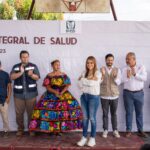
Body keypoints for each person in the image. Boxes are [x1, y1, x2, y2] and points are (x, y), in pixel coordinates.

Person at [29, 60, 82, 134]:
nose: (58, 66)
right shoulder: (49, 75)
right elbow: (47, 87)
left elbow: (67, 85)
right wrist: (55, 92)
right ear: (52, 66)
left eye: (59, 65)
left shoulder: (63, 75)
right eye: (56, 64)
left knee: (63, 111)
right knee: (50, 111)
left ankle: (61, 129)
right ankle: (52, 129)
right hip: (51, 94)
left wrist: (61, 92)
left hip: (63, 94)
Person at [10, 50, 40, 136]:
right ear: (20, 58)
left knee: (31, 113)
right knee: (19, 114)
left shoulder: (33, 66)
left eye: (27, 57)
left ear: (28, 57)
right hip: (18, 95)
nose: (25, 58)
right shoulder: (15, 67)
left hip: (31, 94)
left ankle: (31, 129)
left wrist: (31, 75)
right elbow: (12, 77)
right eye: (23, 57)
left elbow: (37, 77)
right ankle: (20, 129)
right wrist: (21, 72)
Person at [77, 56, 102, 147]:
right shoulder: (84, 72)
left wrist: (83, 80)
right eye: (88, 63)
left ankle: (92, 138)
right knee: (85, 118)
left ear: (94, 63)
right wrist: (87, 80)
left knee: (92, 118)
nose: (89, 64)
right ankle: (84, 137)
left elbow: (92, 84)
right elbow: (79, 84)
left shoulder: (98, 73)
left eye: (91, 63)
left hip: (93, 97)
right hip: (84, 97)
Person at [122, 52, 148, 138]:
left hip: (139, 93)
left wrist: (135, 74)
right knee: (129, 112)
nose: (127, 61)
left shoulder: (141, 67)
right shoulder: (124, 68)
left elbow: (144, 78)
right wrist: (127, 77)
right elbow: (122, 81)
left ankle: (140, 130)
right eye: (126, 59)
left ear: (134, 59)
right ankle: (128, 130)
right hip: (128, 93)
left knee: (139, 112)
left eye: (128, 59)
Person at [100, 54, 121, 138]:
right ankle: (105, 130)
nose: (110, 61)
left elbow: (119, 82)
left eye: (111, 60)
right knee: (105, 114)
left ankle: (115, 130)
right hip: (104, 95)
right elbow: (99, 82)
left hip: (114, 95)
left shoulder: (117, 70)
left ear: (113, 61)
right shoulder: (101, 69)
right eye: (108, 60)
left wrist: (115, 77)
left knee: (114, 114)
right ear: (105, 60)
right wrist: (102, 74)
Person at [0, 61, 12, 138]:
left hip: (3, 99)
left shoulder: (5, 74)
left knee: (5, 117)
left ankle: (6, 131)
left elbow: (9, 87)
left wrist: (8, 97)